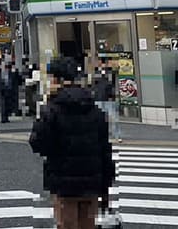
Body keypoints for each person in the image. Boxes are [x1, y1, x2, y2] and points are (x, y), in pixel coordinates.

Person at [30, 57, 115, 229]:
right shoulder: (94, 108)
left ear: (56, 79)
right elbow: (105, 149)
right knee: (87, 225)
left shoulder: (53, 108)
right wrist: (106, 186)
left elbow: (37, 142)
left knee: (67, 224)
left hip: (64, 181)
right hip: (92, 181)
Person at [92, 60, 121, 143]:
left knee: (114, 119)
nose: (102, 64)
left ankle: (117, 135)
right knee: (100, 120)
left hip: (109, 99)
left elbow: (116, 71)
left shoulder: (110, 72)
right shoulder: (96, 74)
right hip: (99, 98)